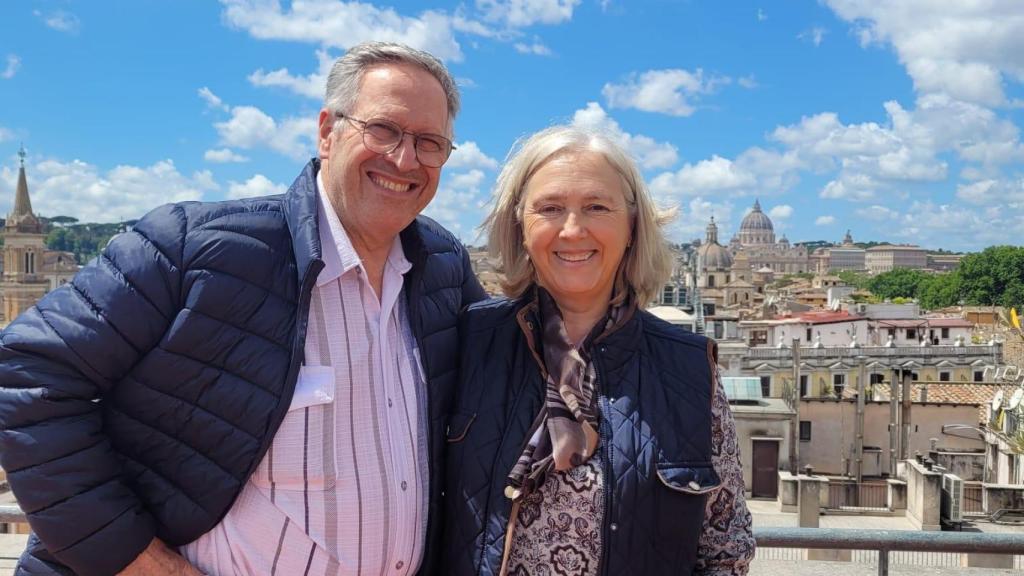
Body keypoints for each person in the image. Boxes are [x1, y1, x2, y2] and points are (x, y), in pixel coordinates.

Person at [0, 41, 485, 576]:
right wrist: (137, 562)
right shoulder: (192, 247)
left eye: (429, 142)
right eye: (383, 130)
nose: (404, 159)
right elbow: (26, 376)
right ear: (327, 131)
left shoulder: (444, 267)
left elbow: (509, 374)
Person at [442, 125, 755, 575]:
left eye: (597, 207)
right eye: (550, 208)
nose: (573, 229)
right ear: (520, 227)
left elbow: (726, 550)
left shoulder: (689, 370)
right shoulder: (467, 343)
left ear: (632, 227)